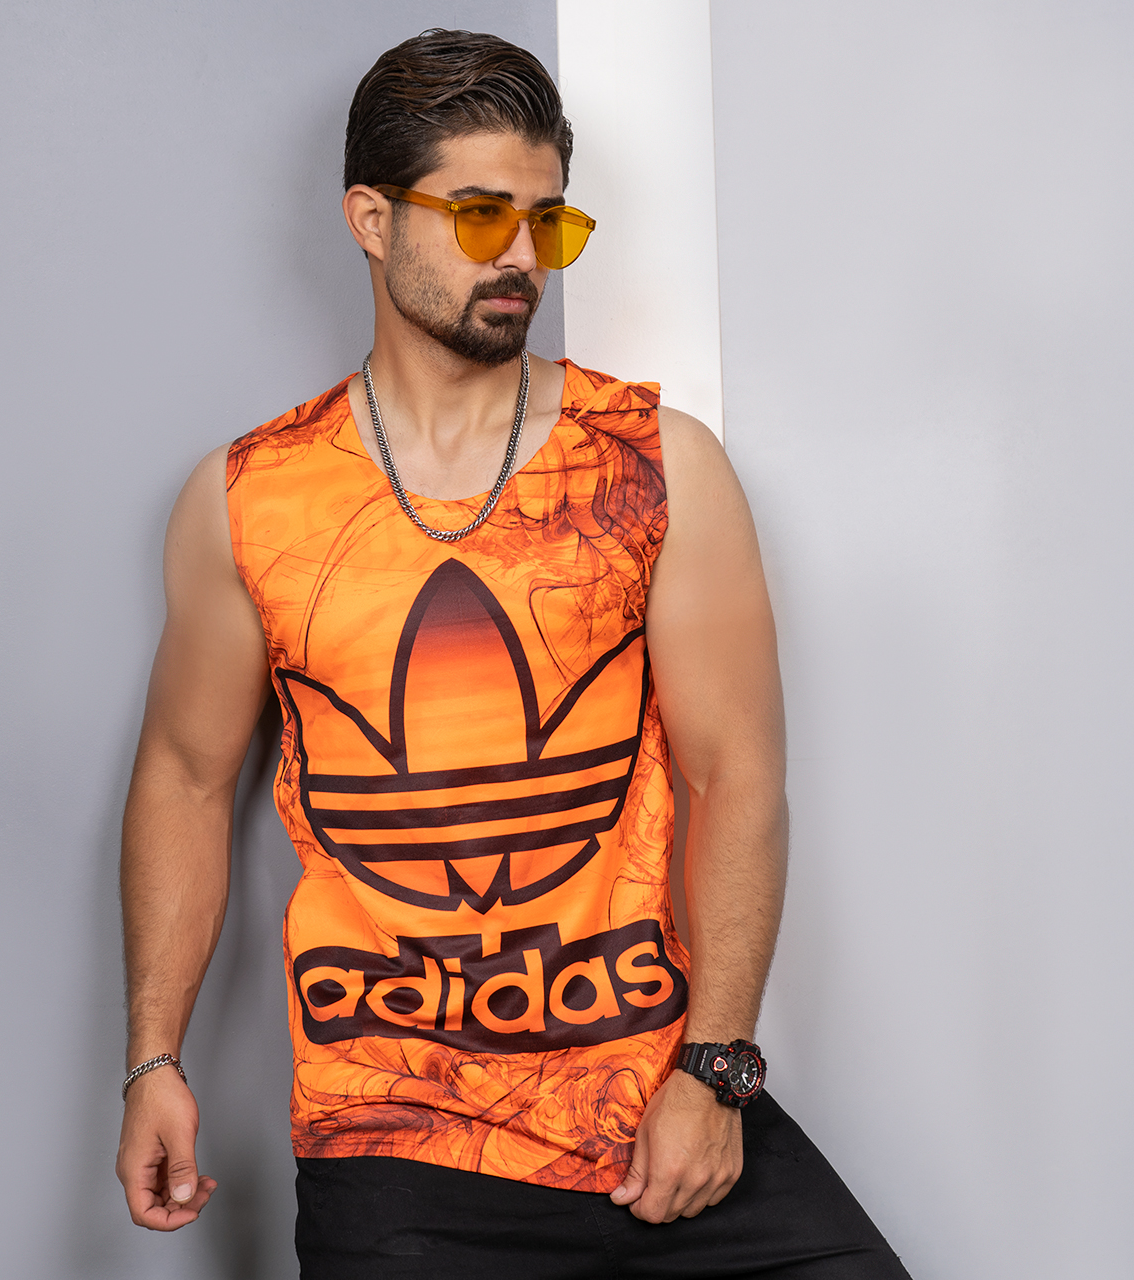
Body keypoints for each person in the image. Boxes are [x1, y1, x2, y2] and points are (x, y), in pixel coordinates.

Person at [115, 28, 910, 1278]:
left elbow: (735, 774)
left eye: (547, 222)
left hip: (654, 1107)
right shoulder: (248, 497)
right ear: (369, 220)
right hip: (395, 1144)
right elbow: (183, 775)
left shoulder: (653, 464)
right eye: (481, 215)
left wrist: (713, 1070)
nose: (522, 258)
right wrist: (153, 1057)